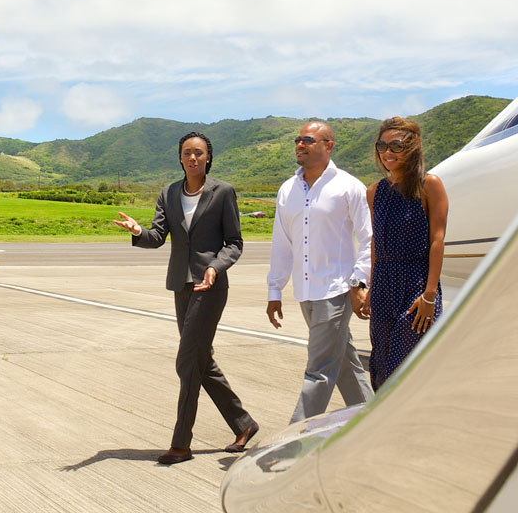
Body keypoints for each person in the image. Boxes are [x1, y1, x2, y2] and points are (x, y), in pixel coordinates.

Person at [114, 131, 259, 465]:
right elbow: (157, 237)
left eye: (199, 153)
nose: (193, 158)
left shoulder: (222, 192)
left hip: (209, 286)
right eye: (187, 153)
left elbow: (234, 242)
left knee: (186, 361)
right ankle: (243, 423)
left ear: (209, 156)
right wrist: (138, 232)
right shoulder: (168, 193)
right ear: (180, 158)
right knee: (199, 361)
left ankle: (181, 443)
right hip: (182, 285)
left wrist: (215, 267)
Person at [267, 121, 374, 423]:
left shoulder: (349, 187)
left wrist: (359, 282)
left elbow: (369, 239)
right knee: (344, 365)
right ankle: (373, 422)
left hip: (336, 289)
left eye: (309, 140)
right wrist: (275, 290)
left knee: (319, 370)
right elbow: (282, 243)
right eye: (298, 140)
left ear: (329, 146)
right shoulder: (288, 190)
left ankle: (293, 441)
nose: (300, 145)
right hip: (305, 292)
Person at [364, 117, 448, 389]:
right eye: (382, 146)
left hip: (416, 285)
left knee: (410, 367)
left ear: (413, 147)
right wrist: (371, 287)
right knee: (381, 365)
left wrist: (429, 295)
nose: (387, 153)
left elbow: (437, 239)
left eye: (396, 146)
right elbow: (376, 243)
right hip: (384, 287)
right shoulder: (375, 192)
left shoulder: (429, 185)